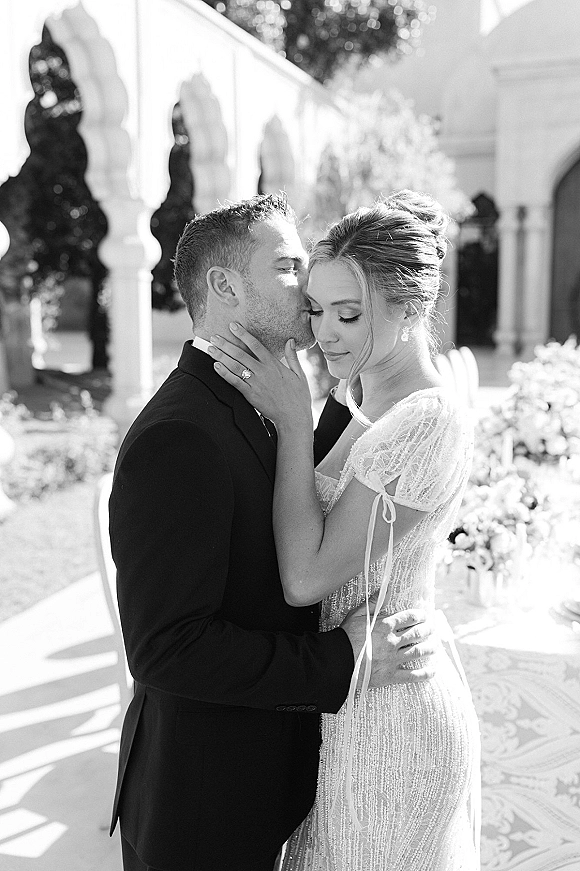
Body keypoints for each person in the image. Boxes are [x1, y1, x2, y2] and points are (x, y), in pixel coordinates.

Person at [108, 194, 439, 871]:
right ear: (224, 286)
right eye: (288, 264)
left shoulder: (281, 398)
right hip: (202, 809)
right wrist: (343, 661)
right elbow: (167, 648)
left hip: (279, 787)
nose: (308, 277)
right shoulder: (179, 433)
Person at [210, 190, 481, 870]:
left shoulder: (424, 419)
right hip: (346, 701)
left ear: (414, 308)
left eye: (349, 313)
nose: (323, 332)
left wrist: (294, 423)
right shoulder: (359, 393)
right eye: (317, 310)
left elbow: (306, 578)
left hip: (391, 718)